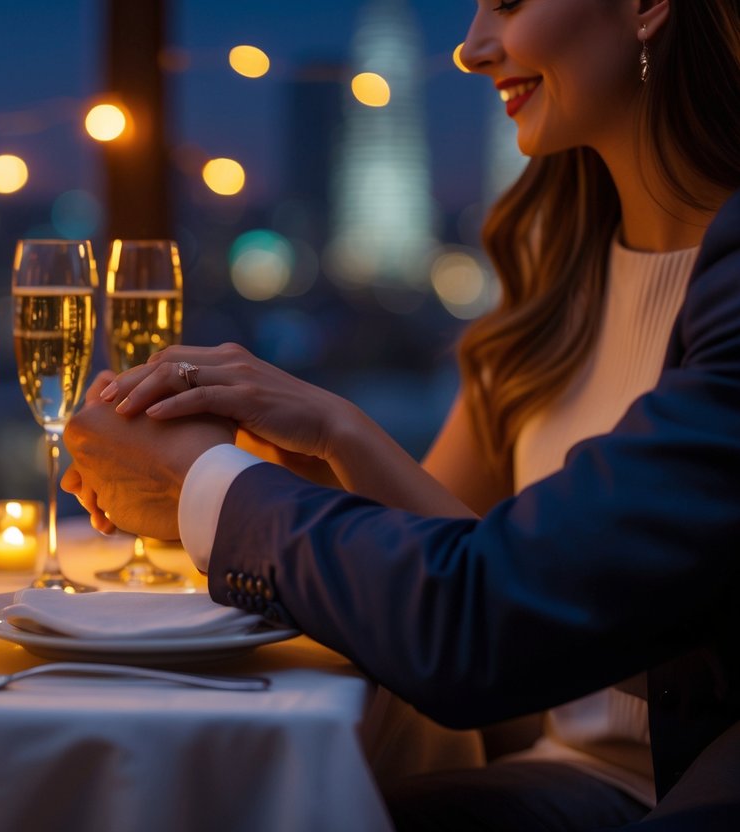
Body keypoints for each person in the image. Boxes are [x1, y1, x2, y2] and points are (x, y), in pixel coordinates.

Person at [62, 0, 740, 828]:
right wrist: (330, 433)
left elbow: (481, 618)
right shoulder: (556, 275)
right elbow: (473, 568)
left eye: (508, 2)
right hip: (557, 773)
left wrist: (205, 482)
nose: (471, 48)